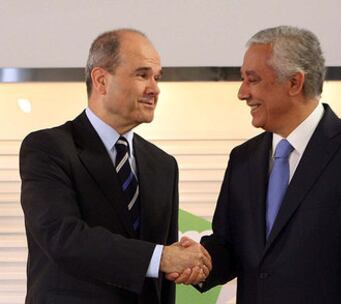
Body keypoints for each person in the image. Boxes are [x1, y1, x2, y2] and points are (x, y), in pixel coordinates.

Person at [171, 26, 341, 303]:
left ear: (294, 83)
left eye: (253, 80)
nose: (242, 93)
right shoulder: (243, 158)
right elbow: (230, 246)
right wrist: (199, 263)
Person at [19, 29, 211, 304]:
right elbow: (63, 238)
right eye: (142, 74)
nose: (154, 88)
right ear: (101, 80)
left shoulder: (164, 165)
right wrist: (162, 257)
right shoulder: (48, 148)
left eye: (157, 77)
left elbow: (164, 276)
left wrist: (182, 261)